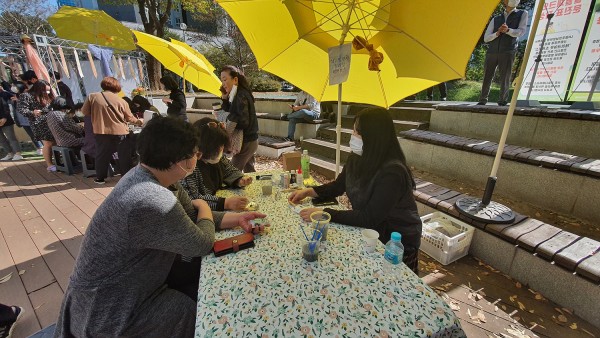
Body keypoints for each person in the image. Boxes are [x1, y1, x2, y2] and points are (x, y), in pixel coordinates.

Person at [53, 117, 267, 337]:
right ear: (178, 161)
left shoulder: (156, 178)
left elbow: (191, 215)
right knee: (204, 314)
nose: (198, 159)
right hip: (110, 311)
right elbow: (201, 243)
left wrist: (237, 218)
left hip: (131, 288)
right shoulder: (151, 198)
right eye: (196, 154)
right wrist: (204, 205)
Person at [289, 107, 422, 273]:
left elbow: (369, 217)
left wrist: (324, 213)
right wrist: (308, 192)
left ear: (374, 137)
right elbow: (338, 186)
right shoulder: (356, 158)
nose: (352, 136)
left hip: (394, 242)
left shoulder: (393, 173)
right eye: (353, 130)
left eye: (357, 132)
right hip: (370, 233)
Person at [182, 117, 253, 212]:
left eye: (222, 145)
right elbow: (193, 199)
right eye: (218, 147)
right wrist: (225, 203)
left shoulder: (216, 158)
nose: (221, 150)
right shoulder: (189, 166)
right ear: (204, 147)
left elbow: (229, 169)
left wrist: (239, 179)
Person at [82, 77, 142, 184]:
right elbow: (130, 118)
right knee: (124, 155)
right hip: (120, 132)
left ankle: (100, 178)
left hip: (101, 131)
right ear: (116, 87)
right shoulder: (122, 101)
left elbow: (85, 112)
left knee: (101, 155)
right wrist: (140, 121)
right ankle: (126, 178)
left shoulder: (92, 97)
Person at [477, 0, 528, 106]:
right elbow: (486, 38)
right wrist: (498, 33)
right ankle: (482, 99)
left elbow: (521, 32)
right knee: (487, 75)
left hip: (508, 50)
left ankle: (502, 100)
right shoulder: (496, 18)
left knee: (505, 76)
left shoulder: (522, 13)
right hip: (492, 51)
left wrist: (508, 30)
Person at [220, 65, 259, 172]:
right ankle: (255, 188)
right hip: (250, 140)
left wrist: (225, 131)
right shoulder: (236, 95)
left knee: (232, 173)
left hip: (246, 142)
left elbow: (241, 120)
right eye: (221, 80)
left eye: (224, 79)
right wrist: (224, 99)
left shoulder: (240, 96)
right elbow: (230, 112)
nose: (223, 84)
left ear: (235, 80)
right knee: (250, 171)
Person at [17, 80, 56, 171]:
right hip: (38, 123)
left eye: (48, 90)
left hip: (50, 120)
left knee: (54, 142)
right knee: (48, 143)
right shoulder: (26, 96)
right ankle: (49, 165)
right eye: (45, 90)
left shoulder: (47, 96)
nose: (47, 92)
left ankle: (56, 161)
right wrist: (32, 112)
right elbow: (21, 109)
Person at [0, 94, 23, 161]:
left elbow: (6, 107)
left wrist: (4, 117)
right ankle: (10, 153)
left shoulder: (2, 96)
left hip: (6, 121)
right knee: (1, 140)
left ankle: (18, 154)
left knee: (11, 137)